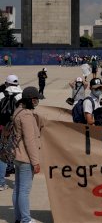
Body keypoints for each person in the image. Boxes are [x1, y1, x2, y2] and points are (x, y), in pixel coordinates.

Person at [12, 86, 43, 223]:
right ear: (29, 99)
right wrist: (35, 162)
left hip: (17, 156)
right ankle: (25, 219)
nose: (36, 102)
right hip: (25, 158)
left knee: (18, 189)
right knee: (24, 190)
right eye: (35, 100)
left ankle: (18, 217)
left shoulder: (18, 111)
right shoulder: (26, 115)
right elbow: (30, 141)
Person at [0, 75, 23, 191]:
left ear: (6, 83)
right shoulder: (22, 94)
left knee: (2, 154)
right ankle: (17, 183)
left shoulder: (1, 94)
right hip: (17, 128)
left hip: (3, 128)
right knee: (18, 153)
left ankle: (1, 182)